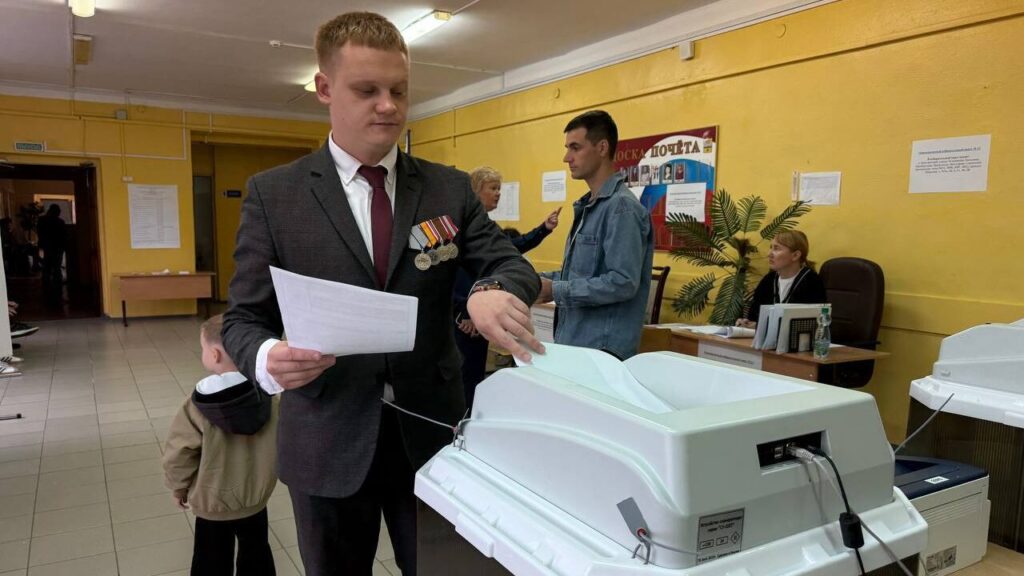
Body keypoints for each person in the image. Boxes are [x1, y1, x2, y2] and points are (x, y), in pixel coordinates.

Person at [220, 12, 542, 576]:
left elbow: (509, 264)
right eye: (367, 90)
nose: (388, 106)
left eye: (399, 90)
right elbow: (243, 319)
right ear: (324, 88)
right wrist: (268, 358)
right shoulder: (276, 195)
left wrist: (490, 289)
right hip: (327, 436)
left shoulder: (447, 188)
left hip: (432, 433)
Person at [162, 314, 278, 576]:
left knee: (211, 559)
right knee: (256, 552)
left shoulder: (197, 406)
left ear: (214, 355)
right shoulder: (269, 397)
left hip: (212, 504)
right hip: (255, 499)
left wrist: (178, 487)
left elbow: (180, 452)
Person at [536, 110, 654, 360]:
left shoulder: (621, 208)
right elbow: (581, 274)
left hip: (601, 352)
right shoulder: (590, 206)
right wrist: (536, 280)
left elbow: (623, 282)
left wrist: (556, 290)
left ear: (601, 148)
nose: (567, 157)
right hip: (577, 343)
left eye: (575, 148)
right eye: (567, 148)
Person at [454, 166, 560, 406]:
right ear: (476, 190)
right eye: (493, 188)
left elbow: (512, 249)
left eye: (500, 189)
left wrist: (543, 229)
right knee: (463, 375)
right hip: (464, 318)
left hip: (481, 315)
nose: (498, 193)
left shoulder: (487, 228)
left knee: (474, 374)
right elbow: (453, 275)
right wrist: (463, 312)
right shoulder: (458, 226)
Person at [735, 230, 827, 328]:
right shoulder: (768, 280)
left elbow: (812, 324)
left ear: (795, 255)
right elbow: (754, 316)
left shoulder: (812, 282)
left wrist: (760, 326)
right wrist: (746, 323)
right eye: (771, 247)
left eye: (776, 249)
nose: (769, 254)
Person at [36, 204, 67, 297]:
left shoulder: (42, 220)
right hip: (57, 247)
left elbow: (39, 233)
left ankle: (47, 287)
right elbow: (63, 236)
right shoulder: (60, 222)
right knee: (56, 267)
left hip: (47, 247)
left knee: (47, 267)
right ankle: (57, 288)